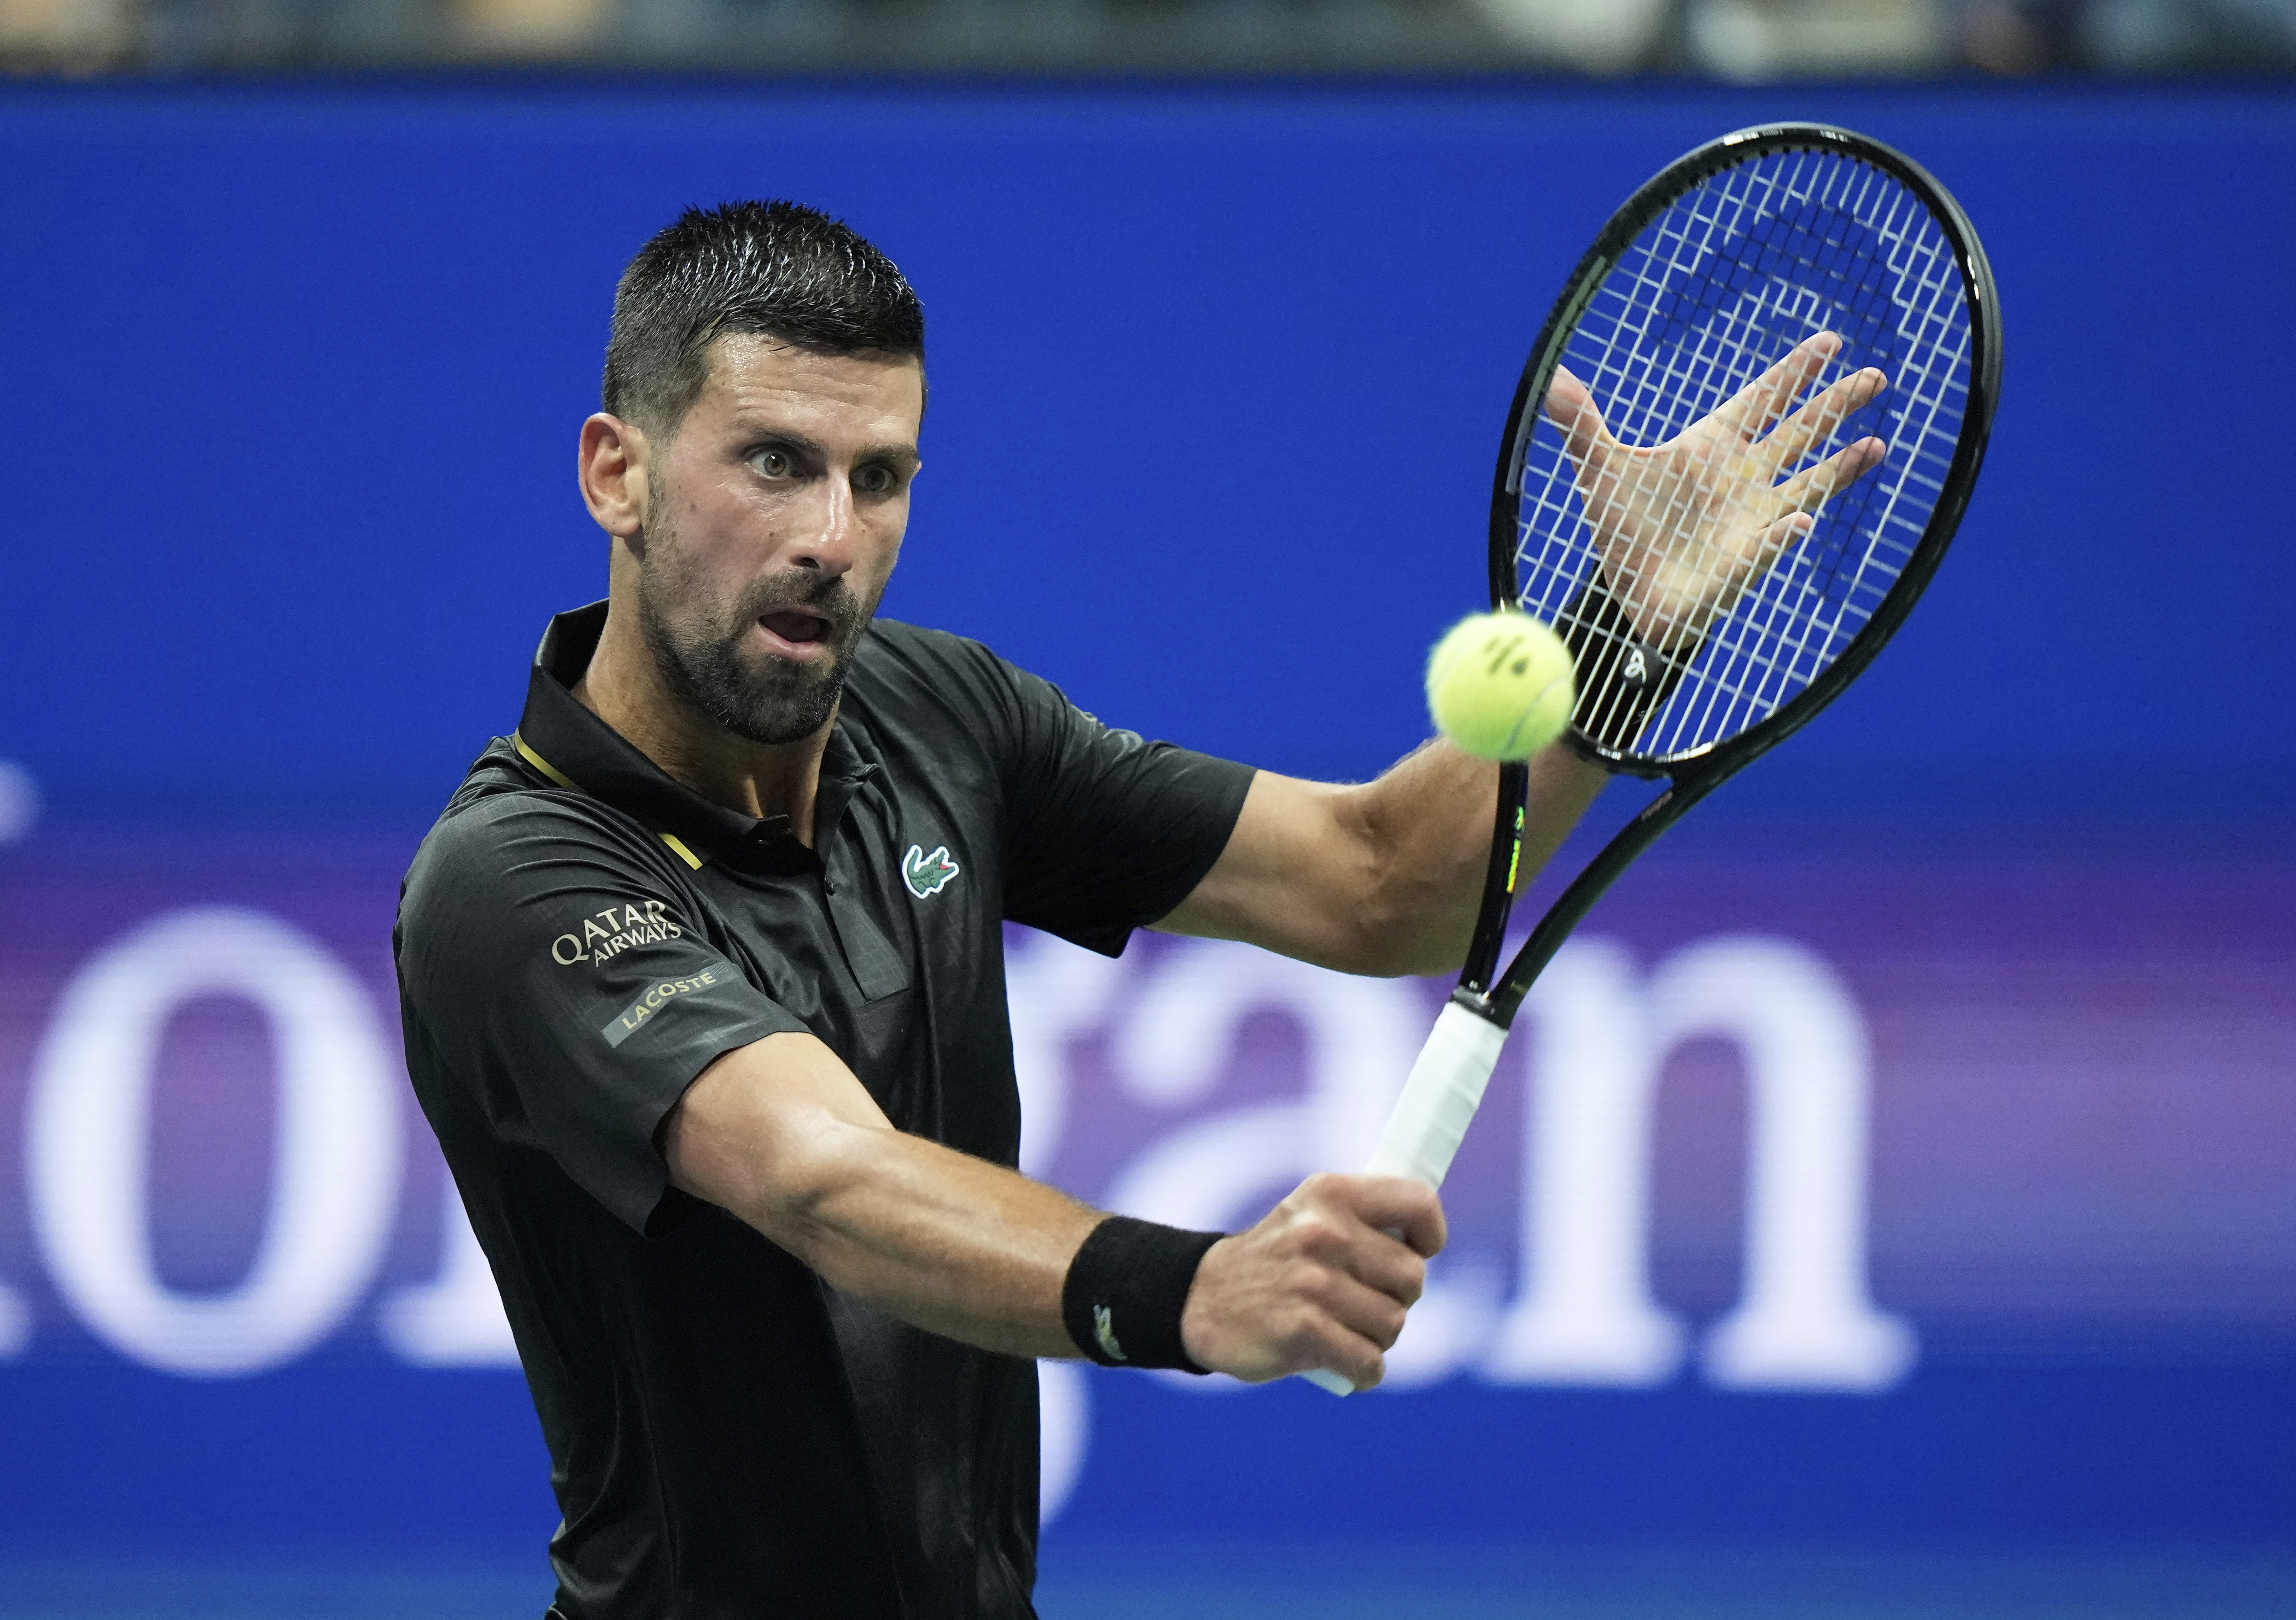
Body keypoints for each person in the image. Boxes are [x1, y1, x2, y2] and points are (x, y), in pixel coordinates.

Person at [394, 199, 1880, 1619]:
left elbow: (1382, 883)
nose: (832, 537)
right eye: (774, 462)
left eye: (882, 476)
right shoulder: (517, 875)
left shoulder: (938, 716)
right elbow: (821, 1178)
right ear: (617, 474)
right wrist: (1193, 1288)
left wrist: (1616, 632)